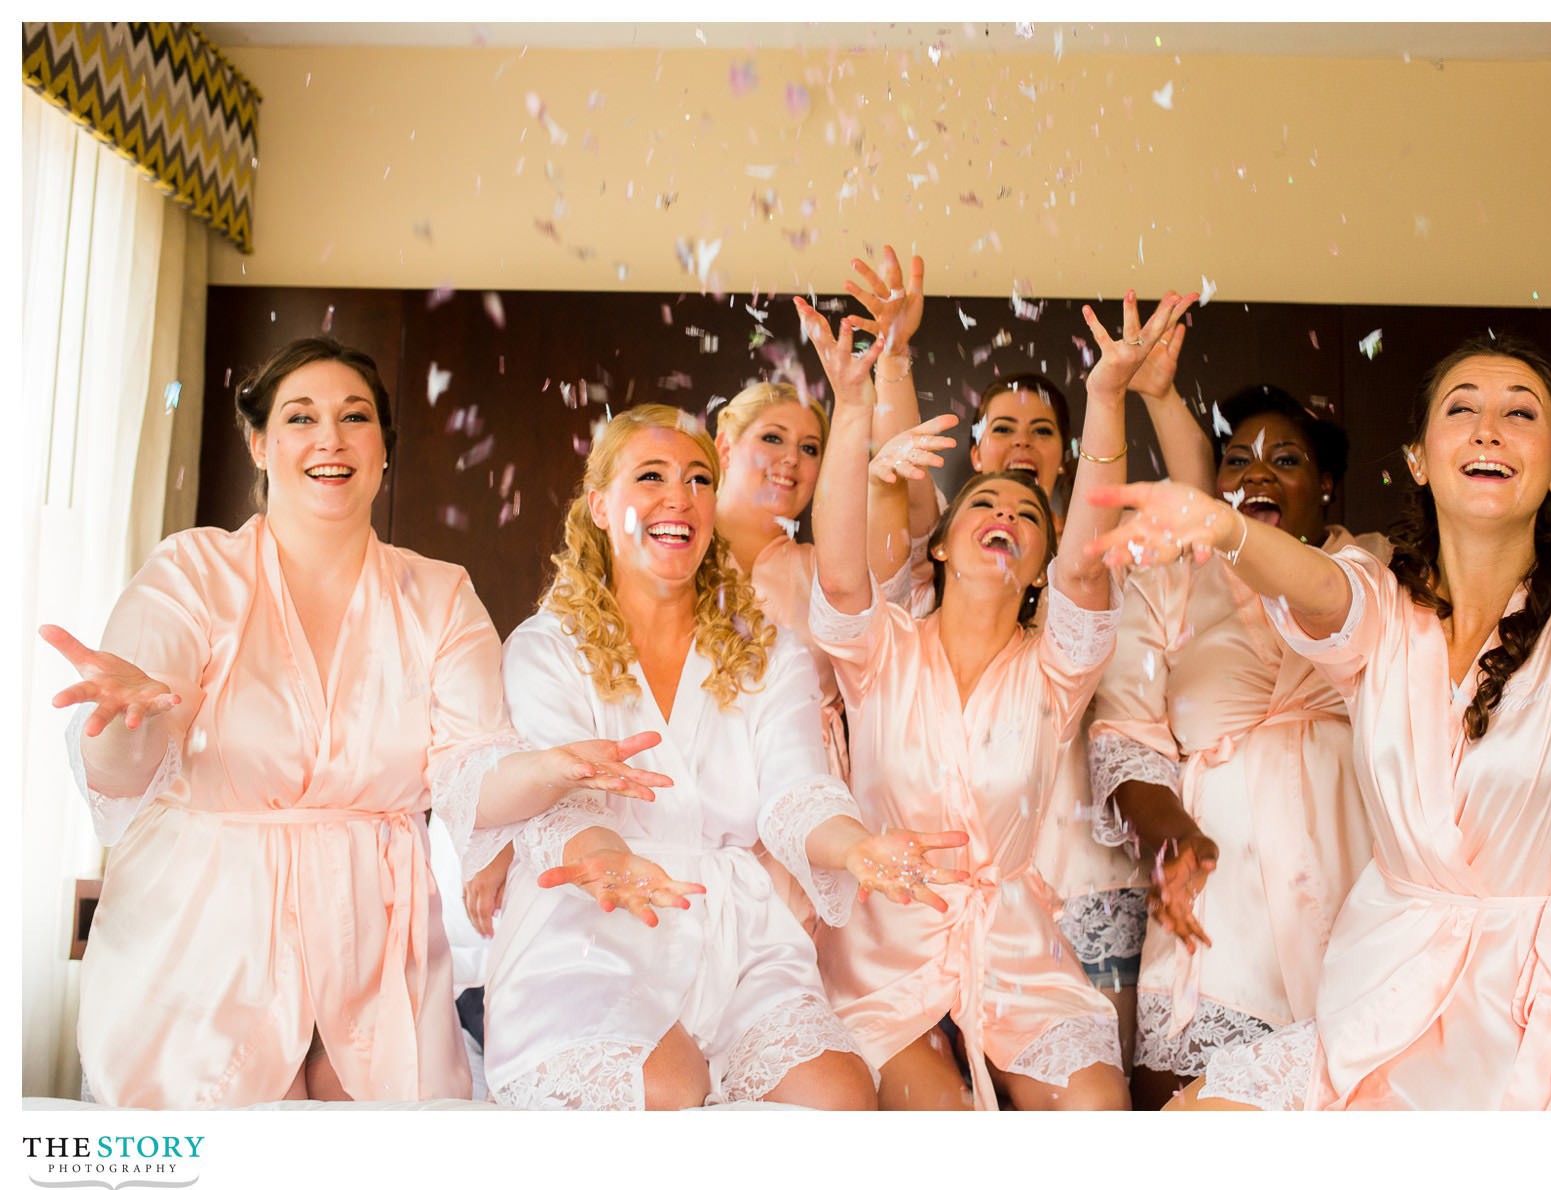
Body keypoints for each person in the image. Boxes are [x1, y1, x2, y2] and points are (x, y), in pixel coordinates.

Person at [42, 337, 670, 1108]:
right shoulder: (191, 573)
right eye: (301, 417)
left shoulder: (440, 596)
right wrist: (124, 721)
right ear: (260, 443)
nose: (330, 437)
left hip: (375, 932)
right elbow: (123, 771)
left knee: (371, 1166)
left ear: (383, 453)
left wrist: (548, 770)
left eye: (356, 417)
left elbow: (470, 771)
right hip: (205, 933)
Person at [1087, 334, 1551, 1110]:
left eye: (1520, 413)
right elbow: (1323, 590)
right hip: (1390, 994)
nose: (1488, 429)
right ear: (1418, 458)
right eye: (1461, 410)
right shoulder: (1380, 606)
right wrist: (1224, 528)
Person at [477, 403, 968, 1110]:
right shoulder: (546, 649)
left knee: (837, 1095)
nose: (681, 497)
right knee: (666, 1085)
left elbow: (797, 789)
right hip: (588, 924)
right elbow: (558, 798)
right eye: (651, 476)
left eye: (700, 479)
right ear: (600, 504)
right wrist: (604, 856)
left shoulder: (769, 650)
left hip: (736, 934)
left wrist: (856, 849)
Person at [801, 288, 1193, 1110]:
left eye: (1028, 515)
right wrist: (850, 408)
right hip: (882, 946)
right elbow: (840, 571)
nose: (1007, 512)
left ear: (1043, 563)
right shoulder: (880, 650)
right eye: (984, 501)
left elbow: (1090, 563)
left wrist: (1107, 394)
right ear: (940, 541)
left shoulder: (1057, 669)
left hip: (1014, 949)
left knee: (1096, 1110)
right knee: (941, 1123)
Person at [1090, 385, 1384, 1106]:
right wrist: (1174, 843)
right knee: (1189, 1113)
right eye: (1235, 461)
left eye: (1284, 459)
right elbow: (1126, 726)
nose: (1255, 475)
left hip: (1355, 869)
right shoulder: (1168, 577)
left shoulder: (1375, 570)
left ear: (1326, 486)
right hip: (1218, 877)